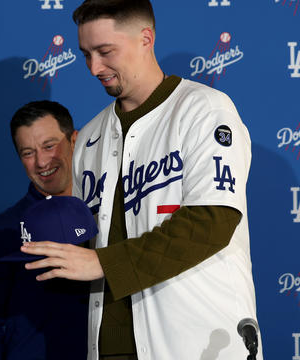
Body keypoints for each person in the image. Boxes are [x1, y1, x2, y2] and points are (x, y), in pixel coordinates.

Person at [20, 1, 261, 359]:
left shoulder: (203, 110)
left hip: (198, 342)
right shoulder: (88, 137)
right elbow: (92, 240)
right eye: (86, 54)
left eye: (105, 52)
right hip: (109, 346)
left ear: (145, 38)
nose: (93, 68)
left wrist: (103, 263)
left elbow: (213, 221)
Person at [0, 100, 96, 359]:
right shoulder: (2, 231)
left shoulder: (111, 214)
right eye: (28, 153)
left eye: (49, 146)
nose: (41, 162)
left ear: (75, 140)